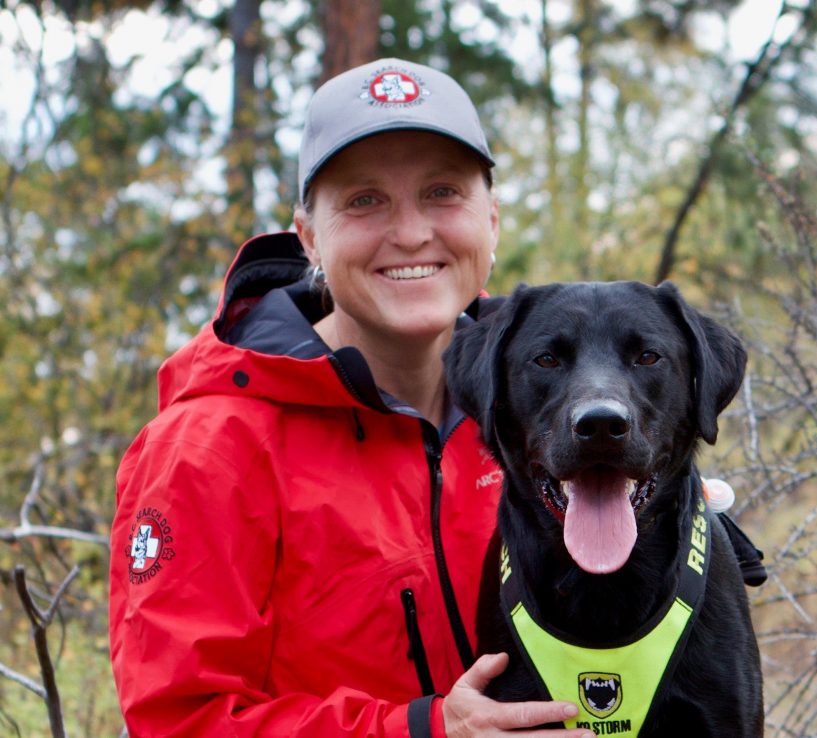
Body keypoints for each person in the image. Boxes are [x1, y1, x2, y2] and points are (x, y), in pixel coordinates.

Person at [108, 57, 594, 738]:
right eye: (365, 200)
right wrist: (419, 731)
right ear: (309, 235)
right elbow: (180, 721)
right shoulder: (209, 448)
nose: (411, 233)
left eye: (442, 192)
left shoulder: (540, 398)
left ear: (492, 217)